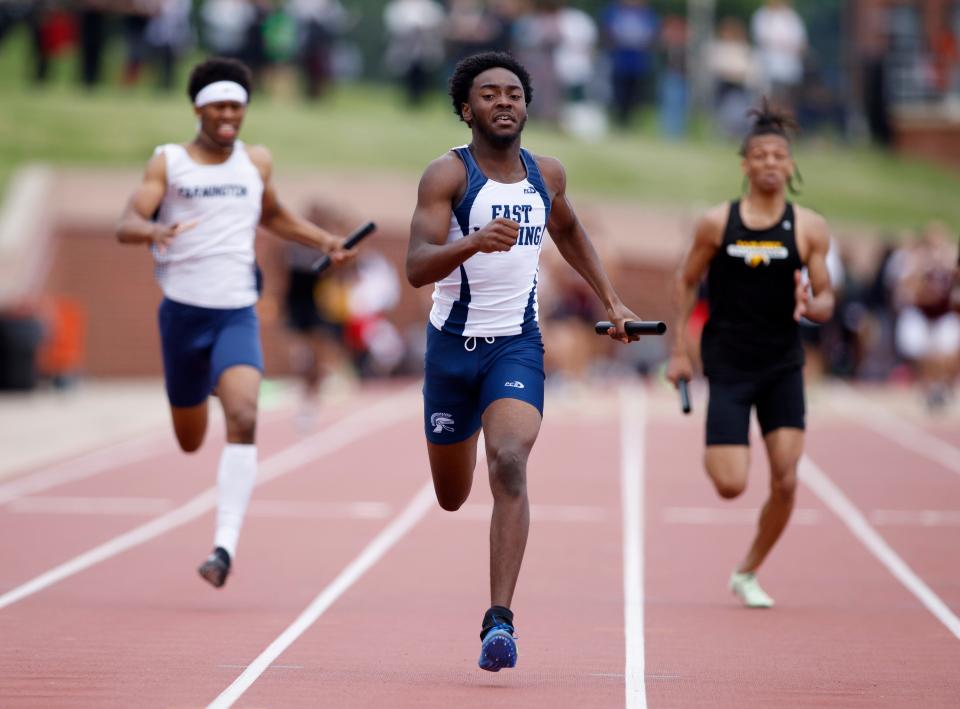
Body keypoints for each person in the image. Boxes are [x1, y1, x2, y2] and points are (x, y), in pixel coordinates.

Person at [405, 51, 640, 670]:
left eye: (513, 93)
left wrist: (611, 301)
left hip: (516, 346)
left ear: (527, 105)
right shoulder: (446, 177)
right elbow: (414, 266)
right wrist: (471, 242)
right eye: (489, 94)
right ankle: (459, 432)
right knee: (453, 496)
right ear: (466, 109)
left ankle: (498, 623)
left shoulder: (547, 174)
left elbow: (569, 230)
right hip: (450, 352)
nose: (503, 102)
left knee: (509, 461)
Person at [116, 57, 351, 589]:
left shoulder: (256, 161)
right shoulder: (169, 163)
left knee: (245, 413)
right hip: (181, 315)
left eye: (237, 107)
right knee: (190, 438)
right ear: (198, 108)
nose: (229, 116)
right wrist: (151, 231)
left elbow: (272, 214)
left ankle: (223, 547)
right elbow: (128, 221)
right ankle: (198, 389)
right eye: (219, 106)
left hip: (235, 312)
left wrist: (324, 240)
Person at [666, 101, 834, 608]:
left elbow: (826, 296)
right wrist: (680, 350)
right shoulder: (718, 224)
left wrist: (813, 304)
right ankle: (724, 442)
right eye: (758, 154)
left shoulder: (809, 228)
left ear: (790, 166)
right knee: (731, 485)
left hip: (782, 363)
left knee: (785, 478)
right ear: (745, 165)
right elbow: (687, 281)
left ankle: (748, 569)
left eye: (777, 155)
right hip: (730, 364)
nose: (768, 162)